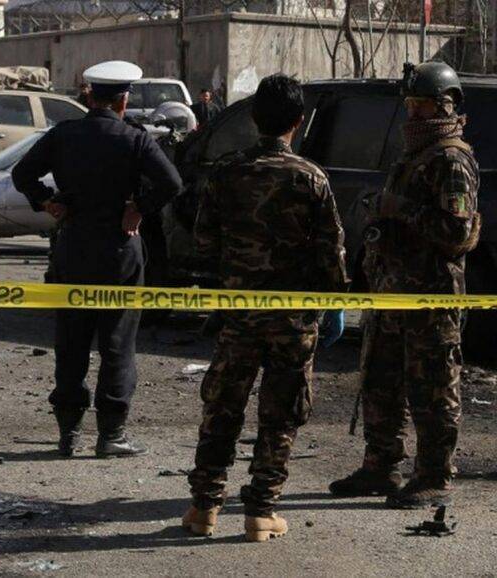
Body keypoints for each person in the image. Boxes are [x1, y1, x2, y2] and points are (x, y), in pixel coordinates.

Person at [181, 74, 347, 542]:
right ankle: (261, 512)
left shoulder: (227, 172)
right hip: (293, 319)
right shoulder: (311, 177)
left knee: (223, 408)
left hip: (238, 314)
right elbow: (332, 252)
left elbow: (203, 242)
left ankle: (204, 507)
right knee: (281, 415)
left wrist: (233, 274)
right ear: (299, 121)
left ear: (254, 118)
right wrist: (333, 301)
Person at [329, 61, 480, 508]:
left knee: (433, 389)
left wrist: (399, 210)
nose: (412, 114)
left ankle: (434, 475)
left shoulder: (451, 159)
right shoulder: (415, 155)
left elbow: (456, 233)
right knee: (380, 383)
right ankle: (381, 466)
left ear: (446, 106)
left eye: (422, 106)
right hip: (390, 293)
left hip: (429, 298)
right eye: (410, 105)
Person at [13, 60, 182, 459]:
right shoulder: (135, 139)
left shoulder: (64, 135)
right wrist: (139, 208)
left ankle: (68, 433)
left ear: (90, 97)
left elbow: (22, 174)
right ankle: (111, 434)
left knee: (71, 343)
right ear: (124, 100)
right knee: (117, 345)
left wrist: (48, 202)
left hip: (73, 248)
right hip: (120, 251)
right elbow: (172, 183)